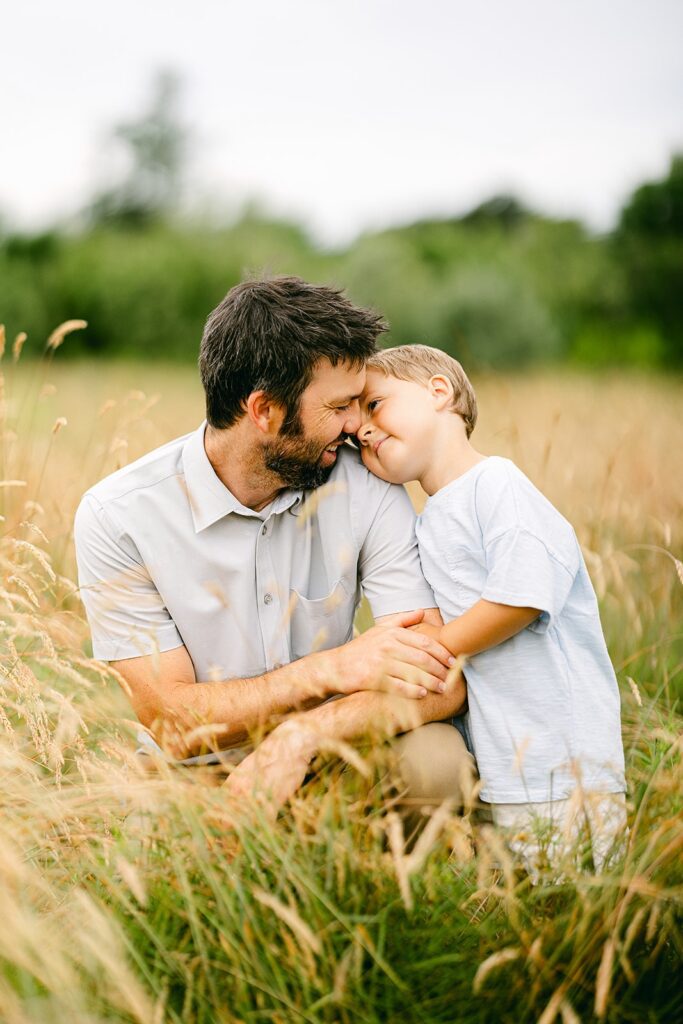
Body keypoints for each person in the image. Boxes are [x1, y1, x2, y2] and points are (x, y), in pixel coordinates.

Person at [74, 278, 473, 812]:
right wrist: (330, 670)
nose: (359, 425)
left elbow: (444, 681)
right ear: (264, 411)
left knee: (437, 761)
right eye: (340, 406)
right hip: (189, 786)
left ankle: (368, 892)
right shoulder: (118, 515)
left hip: (335, 754)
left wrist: (305, 735)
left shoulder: (369, 483)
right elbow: (172, 723)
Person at [355, 344, 627, 873]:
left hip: (562, 759)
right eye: (354, 432)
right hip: (505, 759)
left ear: (439, 392)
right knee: (519, 905)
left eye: (375, 405)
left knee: (577, 899)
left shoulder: (496, 484)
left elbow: (522, 597)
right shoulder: (428, 519)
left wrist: (438, 645)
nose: (363, 431)